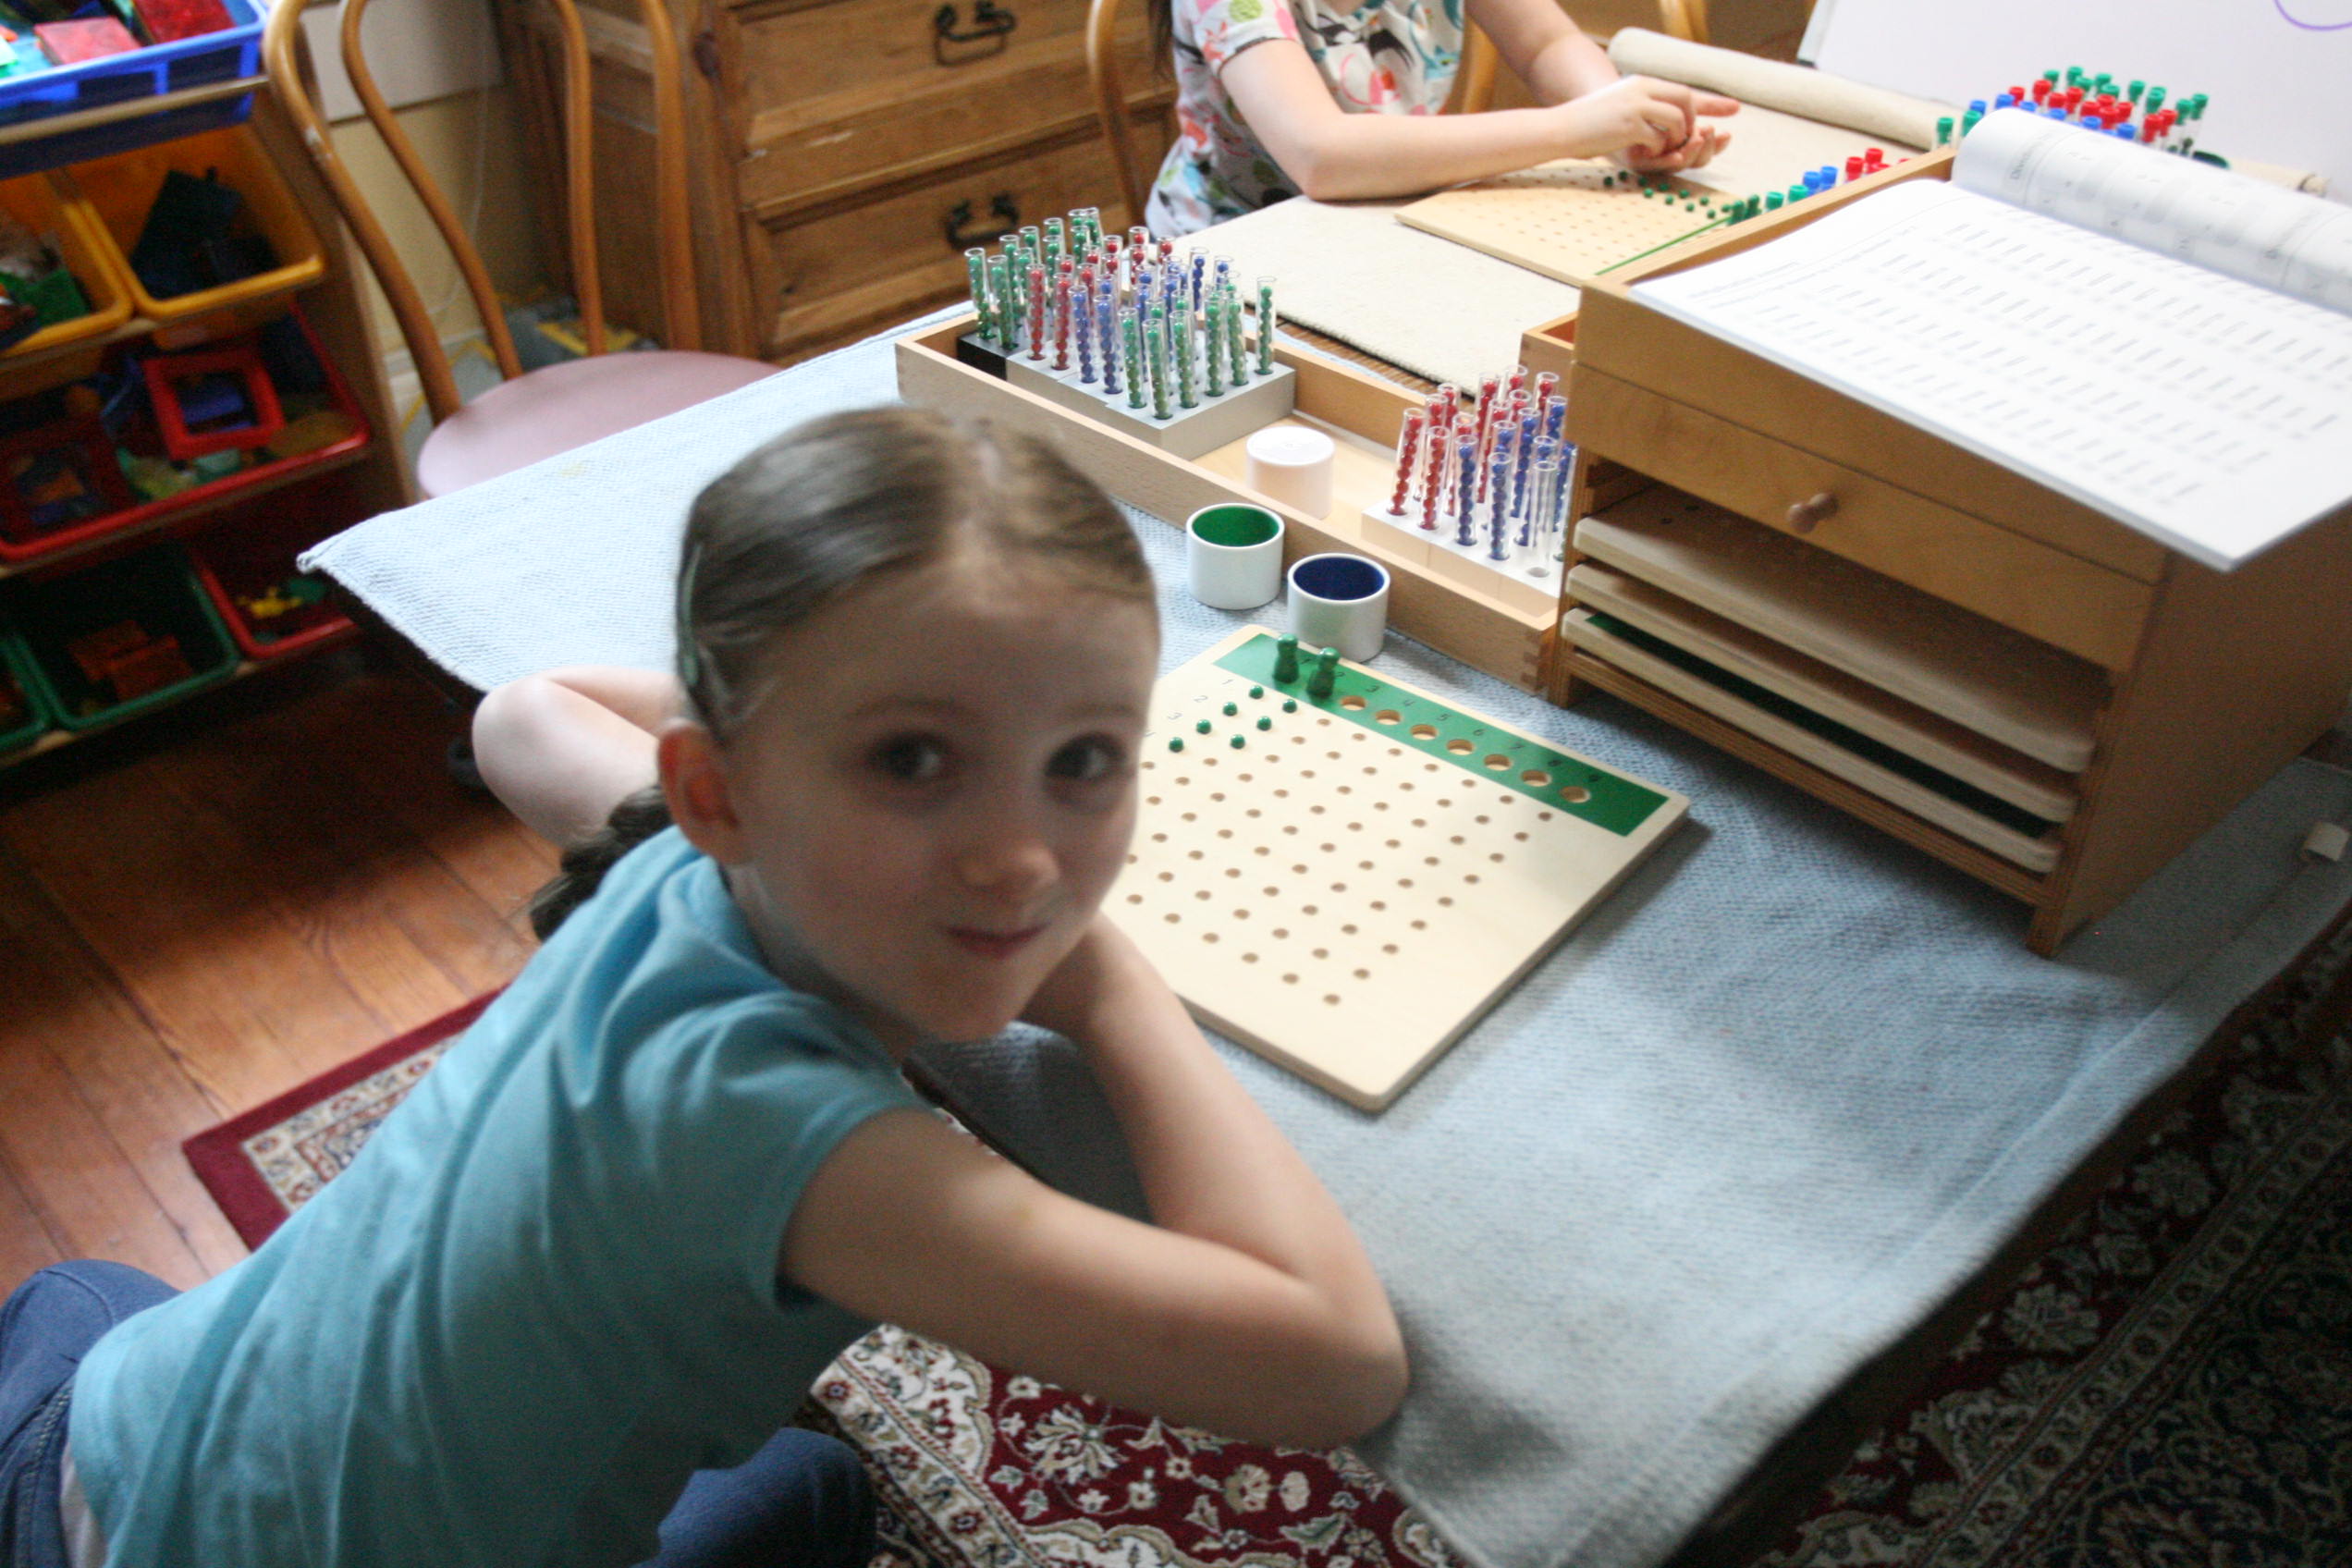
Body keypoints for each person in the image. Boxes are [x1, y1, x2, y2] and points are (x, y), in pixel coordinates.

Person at [0, 408, 1408, 1567]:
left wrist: (777, 738)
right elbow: (1339, 1364)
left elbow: (525, 714)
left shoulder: (674, 848)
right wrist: (1111, 990)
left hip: (106, 1436)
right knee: (816, 1490)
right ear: (714, 792)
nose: (1022, 862)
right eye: (911, 759)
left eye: (1084, 759)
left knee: (77, 1291)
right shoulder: (798, 1145)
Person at [1145, 0, 1739, 237]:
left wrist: (1624, 122)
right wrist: (1579, 128)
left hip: (1390, 213)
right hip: (1231, 251)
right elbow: (1321, 155)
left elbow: (1546, 43)